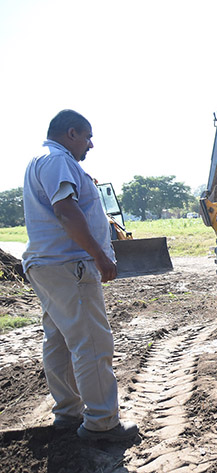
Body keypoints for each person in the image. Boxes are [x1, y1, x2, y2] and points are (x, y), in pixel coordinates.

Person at [22, 110, 138, 442]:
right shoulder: (57, 160)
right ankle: (102, 423)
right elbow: (65, 210)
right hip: (69, 266)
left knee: (59, 340)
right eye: (87, 136)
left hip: (48, 266)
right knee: (90, 341)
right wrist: (100, 256)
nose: (91, 144)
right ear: (71, 133)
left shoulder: (42, 159)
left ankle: (67, 413)